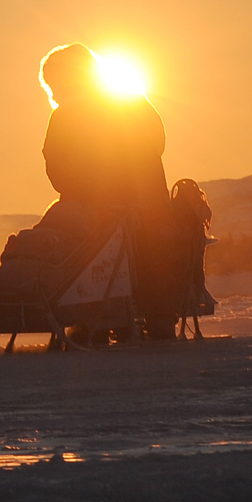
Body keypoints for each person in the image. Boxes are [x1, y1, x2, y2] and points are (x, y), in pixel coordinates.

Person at [38, 43, 178, 336]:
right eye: (50, 86)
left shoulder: (126, 102)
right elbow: (55, 162)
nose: (54, 92)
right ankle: (84, 312)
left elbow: (152, 145)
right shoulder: (66, 116)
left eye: (57, 84)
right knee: (72, 248)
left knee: (147, 249)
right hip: (85, 204)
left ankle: (158, 315)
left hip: (140, 202)